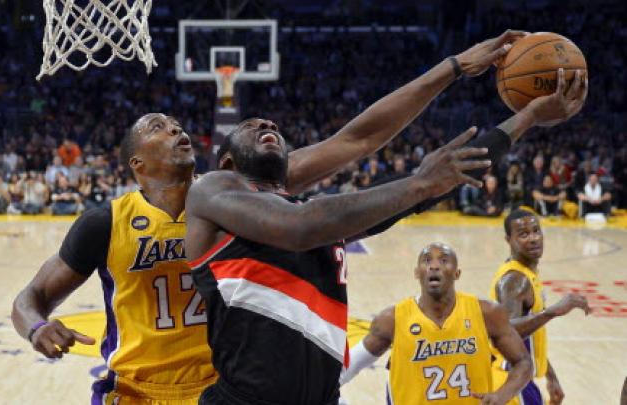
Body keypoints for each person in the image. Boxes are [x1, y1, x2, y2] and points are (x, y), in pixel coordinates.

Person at [184, 66, 587, 404]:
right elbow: (303, 226)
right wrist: (418, 184)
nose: (267, 124)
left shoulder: (325, 216)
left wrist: (528, 116)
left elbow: (444, 174)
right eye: (252, 126)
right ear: (227, 160)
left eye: (270, 124)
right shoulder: (212, 192)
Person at [340, 243, 533, 405]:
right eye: (427, 260)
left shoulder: (486, 313)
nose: (434, 266)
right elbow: (350, 367)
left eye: (443, 260)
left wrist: (502, 395)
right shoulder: (392, 319)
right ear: (417, 272)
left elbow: (523, 362)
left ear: (457, 273)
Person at [489, 209, 592, 405]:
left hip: (521, 379)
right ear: (508, 239)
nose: (533, 238)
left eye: (536, 231)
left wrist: (549, 374)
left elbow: (531, 336)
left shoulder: (526, 274)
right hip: (510, 380)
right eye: (524, 234)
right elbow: (506, 332)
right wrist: (552, 312)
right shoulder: (514, 280)